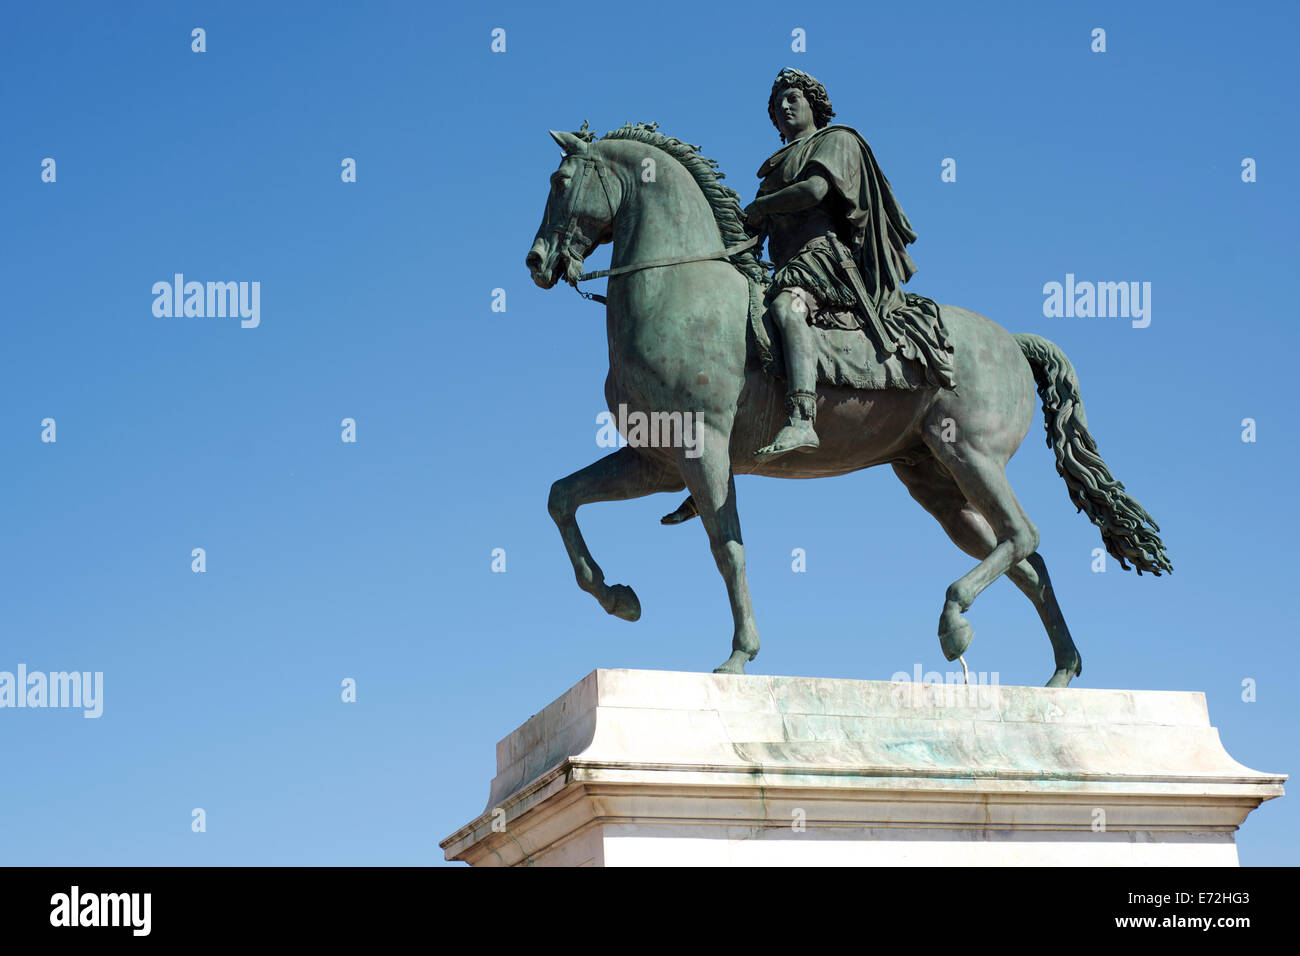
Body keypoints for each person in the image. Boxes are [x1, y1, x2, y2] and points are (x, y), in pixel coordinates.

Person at [744, 68, 956, 462]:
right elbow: (755, 229)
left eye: (792, 98)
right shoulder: (773, 167)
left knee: (787, 310)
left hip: (825, 259)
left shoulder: (837, 140)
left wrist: (759, 208)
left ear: (813, 104)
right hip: (785, 264)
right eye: (776, 105)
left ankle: (802, 418)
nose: (783, 107)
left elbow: (815, 190)